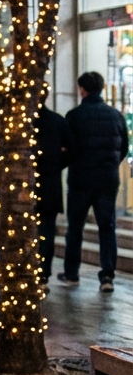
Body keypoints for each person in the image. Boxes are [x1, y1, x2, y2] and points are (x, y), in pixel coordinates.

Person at [62, 71, 129, 292]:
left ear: (83, 89)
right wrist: (109, 165)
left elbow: (68, 149)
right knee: (107, 227)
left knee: (76, 227)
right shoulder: (116, 116)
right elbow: (123, 149)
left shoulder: (74, 116)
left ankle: (72, 274)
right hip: (107, 180)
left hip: (81, 179)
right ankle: (107, 277)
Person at [35, 97, 73, 284]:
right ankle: (43, 272)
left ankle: (31, 271)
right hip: (50, 183)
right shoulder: (57, 121)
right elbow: (72, 150)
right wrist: (57, 164)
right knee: (46, 231)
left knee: (29, 231)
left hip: (26, 185)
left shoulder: (23, 121)